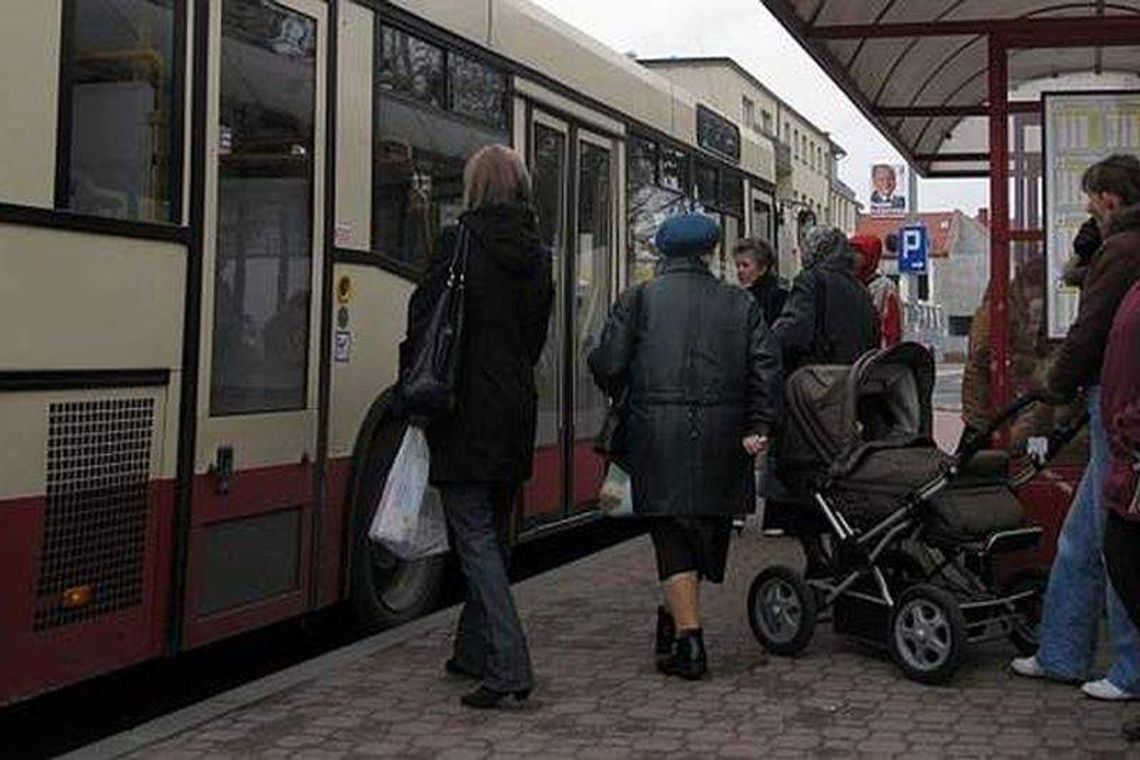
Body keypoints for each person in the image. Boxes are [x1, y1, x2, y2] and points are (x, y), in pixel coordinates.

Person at [588, 213, 782, 681]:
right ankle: (674, 621)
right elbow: (766, 368)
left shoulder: (638, 299)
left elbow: (608, 364)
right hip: (724, 436)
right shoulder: (740, 305)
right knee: (703, 530)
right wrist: (758, 423)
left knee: (672, 532)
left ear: (664, 253)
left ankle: (690, 642)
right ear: (710, 253)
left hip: (657, 433)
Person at [403, 145, 554, 709]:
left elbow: (424, 322)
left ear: (474, 187)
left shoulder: (457, 242)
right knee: (490, 536)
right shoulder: (540, 256)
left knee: (475, 541)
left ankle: (510, 665)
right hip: (515, 410)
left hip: (464, 413)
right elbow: (535, 339)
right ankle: (471, 652)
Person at [1011, 153, 1140, 702]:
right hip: (1113, 398)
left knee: (1116, 540)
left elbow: (1090, 328)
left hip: (1114, 402)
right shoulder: (1118, 248)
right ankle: (1061, 652)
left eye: (1092, 199)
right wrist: (1085, 257)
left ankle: (1130, 669)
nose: (1088, 208)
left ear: (1110, 198)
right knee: (1081, 540)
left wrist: (1052, 383)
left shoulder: (1123, 249)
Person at [1101, 280, 1140, 738]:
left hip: (1131, 444)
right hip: (1126, 446)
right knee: (1121, 552)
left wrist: (1130, 425)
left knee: (1123, 552)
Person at [770, 226, 880, 374]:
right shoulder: (861, 289)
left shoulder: (812, 281)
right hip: (855, 382)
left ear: (813, 250)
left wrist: (763, 344)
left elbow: (792, 332)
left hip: (820, 380)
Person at [849, 234, 902, 348]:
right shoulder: (846, 282)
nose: (852, 257)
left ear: (870, 256)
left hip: (874, 355)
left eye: (858, 252)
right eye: (850, 252)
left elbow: (891, 328)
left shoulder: (884, 287)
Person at [734, 237, 786, 326]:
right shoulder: (740, 296)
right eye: (738, 266)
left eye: (745, 265)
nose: (740, 270)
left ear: (762, 268)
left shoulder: (776, 298)